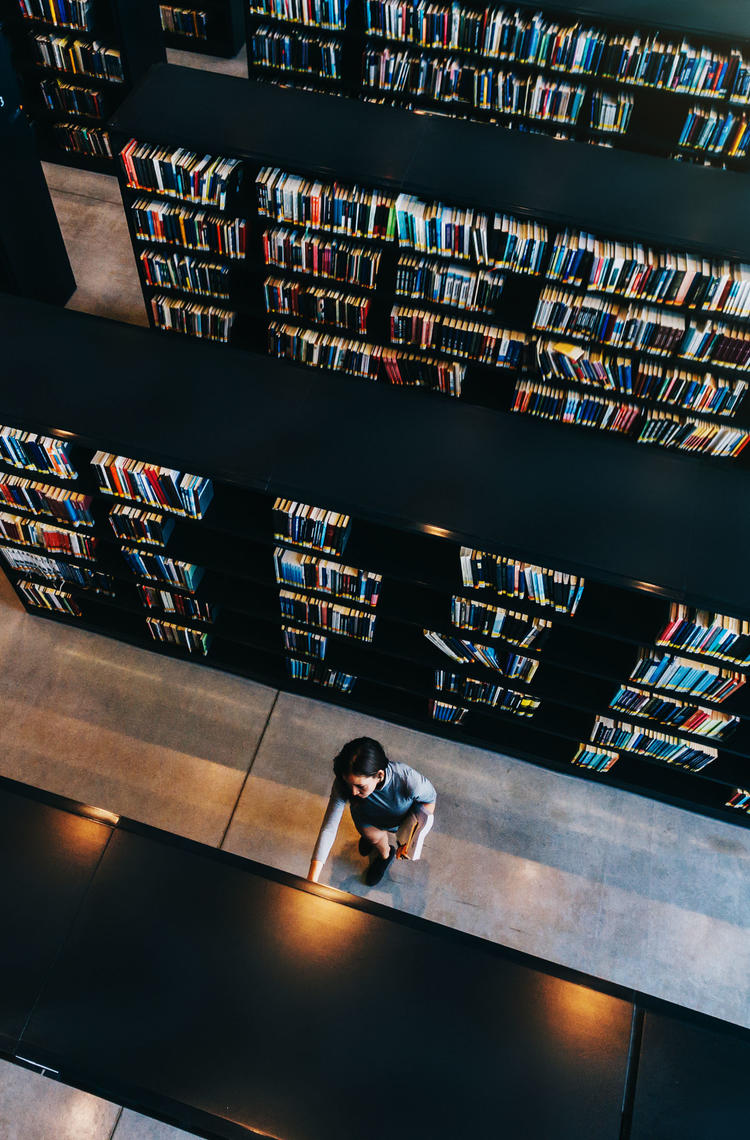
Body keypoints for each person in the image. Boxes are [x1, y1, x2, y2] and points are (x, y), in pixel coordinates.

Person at [307, 737, 436, 886]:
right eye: (349, 785)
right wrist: (311, 879)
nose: (353, 792)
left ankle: (385, 855)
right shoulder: (343, 783)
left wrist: (410, 838)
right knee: (372, 838)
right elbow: (329, 828)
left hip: (396, 821)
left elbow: (430, 799)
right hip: (365, 819)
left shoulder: (408, 779)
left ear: (379, 775)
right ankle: (372, 841)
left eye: (360, 786)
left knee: (379, 844)